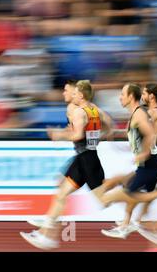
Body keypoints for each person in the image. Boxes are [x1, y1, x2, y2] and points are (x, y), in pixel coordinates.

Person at [20, 80, 114, 250]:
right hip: (85, 157)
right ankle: (47, 230)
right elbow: (108, 125)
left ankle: (131, 191)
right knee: (61, 191)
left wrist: (60, 135)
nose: (64, 93)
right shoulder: (92, 108)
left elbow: (76, 134)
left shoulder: (76, 109)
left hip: (86, 159)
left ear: (76, 93)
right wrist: (97, 136)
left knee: (104, 200)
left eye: (67, 91)